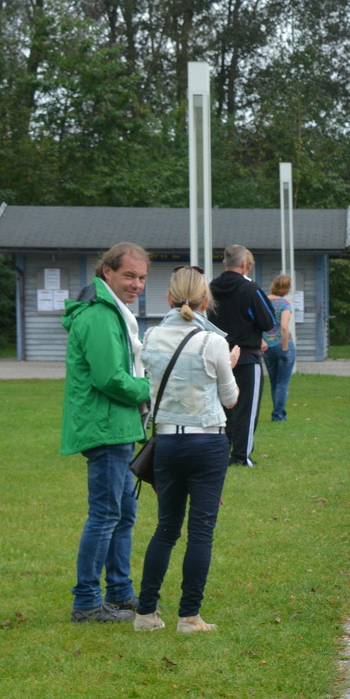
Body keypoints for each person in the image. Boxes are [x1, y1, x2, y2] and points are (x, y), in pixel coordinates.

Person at [133, 266, 241, 633]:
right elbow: (230, 398)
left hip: (167, 441)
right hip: (206, 441)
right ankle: (189, 616)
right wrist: (229, 367)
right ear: (206, 301)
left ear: (168, 297)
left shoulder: (151, 336)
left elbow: (148, 384)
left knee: (166, 528)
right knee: (201, 532)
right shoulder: (212, 341)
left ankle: (145, 613)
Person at [61, 242, 153, 623]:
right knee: (105, 514)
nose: (136, 284)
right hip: (105, 426)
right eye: (129, 275)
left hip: (118, 425)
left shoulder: (115, 312)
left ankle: (119, 592)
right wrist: (153, 389)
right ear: (108, 273)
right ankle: (86, 602)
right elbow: (109, 378)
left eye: (142, 278)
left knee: (124, 513)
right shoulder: (100, 315)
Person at [208, 245, 276, 467]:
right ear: (245, 264)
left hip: (218, 355)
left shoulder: (210, 288)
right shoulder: (250, 289)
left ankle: (220, 450)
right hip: (247, 356)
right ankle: (241, 456)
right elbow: (268, 321)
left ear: (224, 263)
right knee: (246, 407)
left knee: (221, 406)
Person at [263, 274, 295, 422]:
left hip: (267, 346)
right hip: (282, 344)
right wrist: (285, 348)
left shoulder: (263, 301)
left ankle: (277, 412)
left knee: (274, 382)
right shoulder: (285, 304)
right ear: (287, 288)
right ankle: (278, 415)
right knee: (282, 382)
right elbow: (284, 327)